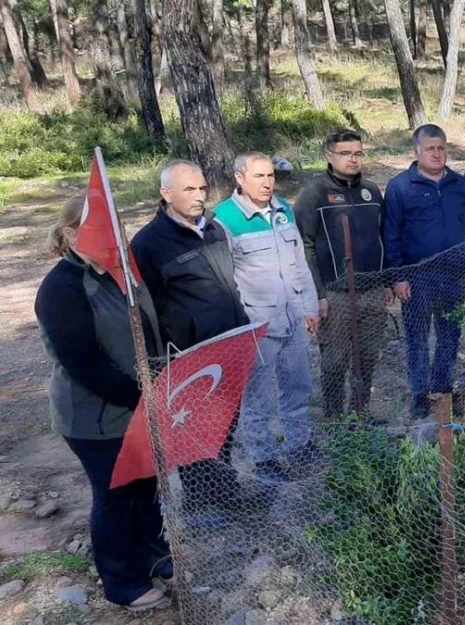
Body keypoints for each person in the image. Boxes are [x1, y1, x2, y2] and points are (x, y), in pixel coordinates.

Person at [36, 197, 173, 612]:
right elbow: (84, 364)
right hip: (94, 416)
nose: (114, 237)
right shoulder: (62, 288)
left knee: (146, 485)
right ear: (72, 234)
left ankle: (153, 553)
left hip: (139, 406)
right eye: (101, 228)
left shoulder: (122, 273)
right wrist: (141, 396)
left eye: (117, 227)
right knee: (115, 494)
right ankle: (122, 580)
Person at [132, 160, 250, 528]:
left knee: (226, 422)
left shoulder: (214, 228)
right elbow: (146, 308)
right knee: (194, 429)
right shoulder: (149, 243)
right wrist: (158, 362)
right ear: (166, 194)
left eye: (202, 189)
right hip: (189, 354)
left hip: (231, 343)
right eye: (189, 190)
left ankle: (224, 488)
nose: (199, 196)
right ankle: (200, 505)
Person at [212, 153, 320, 482]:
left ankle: (299, 445)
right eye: (259, 176)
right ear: (239, 178)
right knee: (257, 397)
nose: (267, 182)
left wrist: (310, 308)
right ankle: (264, 459)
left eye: (271, 175)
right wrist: (239, 326)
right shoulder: (222, 219)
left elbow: (299, 264)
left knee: (298, 386)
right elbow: (223, 279)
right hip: (256, 327)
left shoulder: (283, 210)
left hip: (293, 319)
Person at [384, 125, 465, 419]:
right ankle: (419, 394)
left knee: (450, 335)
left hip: (453, 275)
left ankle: (442, 389)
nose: (436, 154)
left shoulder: (460, 185)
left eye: (441, 148)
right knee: (418, 337)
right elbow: (391, 234)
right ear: (417, 152)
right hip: (417, 278)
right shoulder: (401, 187)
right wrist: (398, 276)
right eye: (430, 149)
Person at [294, 128, 389, 419]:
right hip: (334, 296)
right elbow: (304, 246)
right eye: (345, 154)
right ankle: (335, 419)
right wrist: (318, 294)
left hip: (372, 292)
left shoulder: (371, 191)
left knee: (368, 357)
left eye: (358, 153)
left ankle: (360, 413)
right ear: (329, 156)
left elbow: (382, 237)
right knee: (335, 361)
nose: (353, 159)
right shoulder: (315, 193)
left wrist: (384, 281)